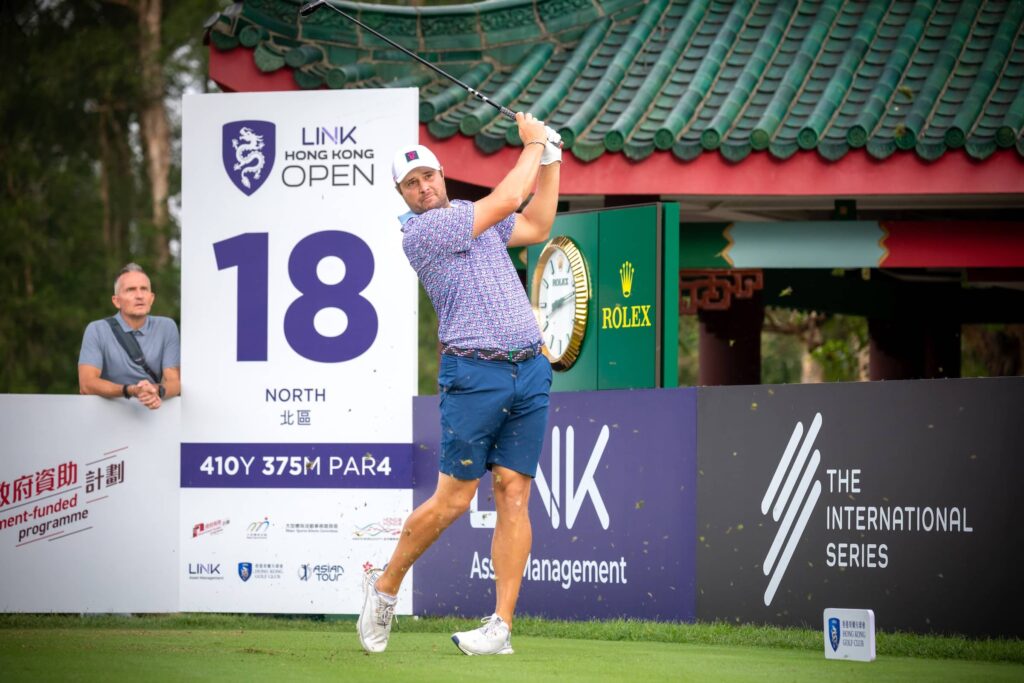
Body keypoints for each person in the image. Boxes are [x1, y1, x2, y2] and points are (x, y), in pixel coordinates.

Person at [358, 113, 562, 656]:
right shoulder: (424, 232)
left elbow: (537, 223)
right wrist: (534, 143)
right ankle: (383, 589)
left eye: (428, 176)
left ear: (442, 175)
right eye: (411, 184)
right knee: (453, 500)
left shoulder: (477, 220)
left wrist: (552, 159)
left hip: (528, 370)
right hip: (474, 374)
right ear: (402, 196)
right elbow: (506, 197)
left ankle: (501, 626)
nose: (424, 188)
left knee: (515, 494)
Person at [78, 263, 180, 410]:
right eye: (131, 290)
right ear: (116, 301)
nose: (139, 295)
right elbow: (86, 383)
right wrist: (131, 390)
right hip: (106, 417)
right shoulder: (96, 330)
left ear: (151, 298)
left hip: (153, 416)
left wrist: (156, 391)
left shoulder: (167, 327)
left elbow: (174, 381)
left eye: (144, 289)